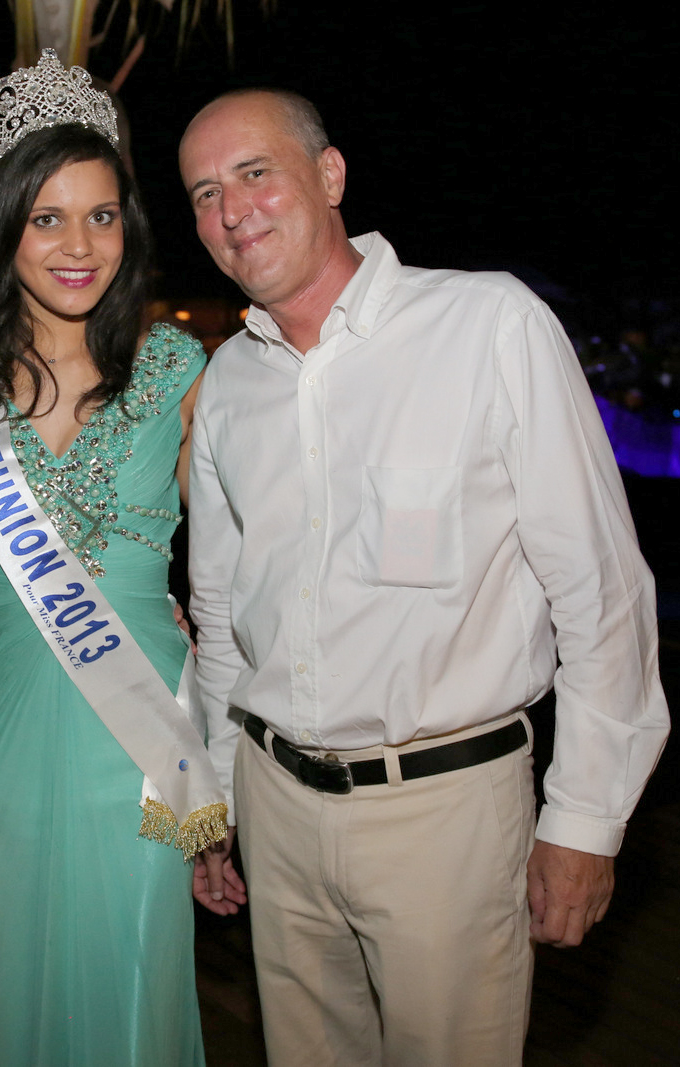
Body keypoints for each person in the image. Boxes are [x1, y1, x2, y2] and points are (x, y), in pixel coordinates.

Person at [179, 88, 670, 1066]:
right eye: (203, 193)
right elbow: (221, 611)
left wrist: (584, 818)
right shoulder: (227, 379)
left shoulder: (486, 324)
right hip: (274, 807)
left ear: (328, 176)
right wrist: (216, 798)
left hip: (443, 814)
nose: (231, 211)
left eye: (254, 173)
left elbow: (601, 590)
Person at [0, 50, 228, 1067]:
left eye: (101, 215)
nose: (78, 245)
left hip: (142, 746)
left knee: (131, 981)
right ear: (4, 227)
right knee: (2, 983)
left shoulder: (177, 370)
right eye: (46, 217)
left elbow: (237, 561)